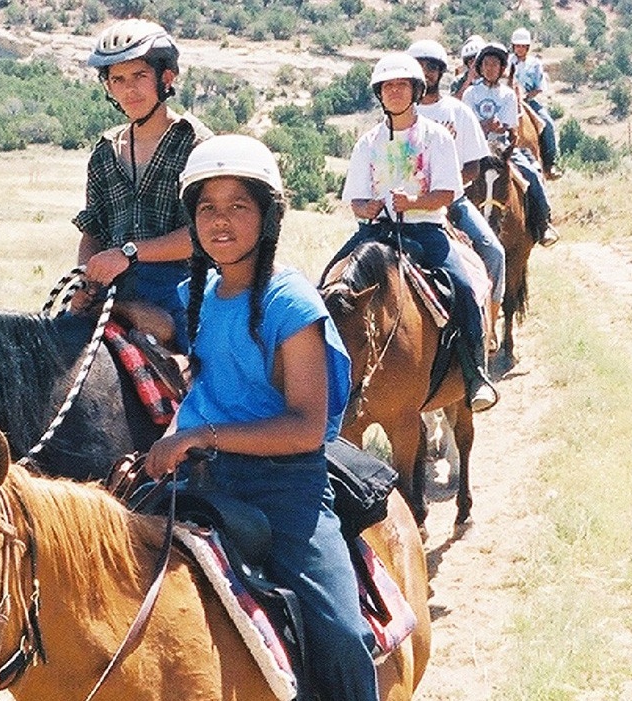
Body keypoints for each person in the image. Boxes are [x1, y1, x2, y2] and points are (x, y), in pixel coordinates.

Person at [144, 134, 378, 701]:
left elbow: (304, 426)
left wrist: (201, 434)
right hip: (202, 477)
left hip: (284, 487)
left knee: (342, 635)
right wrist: (115, 303)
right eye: (207, 209)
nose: (219, 223)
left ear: (269, 216)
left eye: (238, 207)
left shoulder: (290, 303)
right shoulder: (198, 290)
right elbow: (185, 332)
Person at [332, 52, 498, 411]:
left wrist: (415, 201)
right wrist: (367, 208)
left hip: (426, 230)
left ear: (415, 90)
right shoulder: (368, 142)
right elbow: (356, 200)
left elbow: (448, 193)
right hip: (377, 233)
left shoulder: (436, 137)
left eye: (401, 85)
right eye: (387, 87)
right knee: (328, 286)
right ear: (379, 94)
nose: (394, 92)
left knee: (465, 288)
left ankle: (475, 376)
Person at [68, 19, 213, 351]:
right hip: (111, 284)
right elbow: (93, 229)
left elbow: (204, 234)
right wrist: (87, 279)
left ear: (166, 78)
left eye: (139, 76)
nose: (129, 90)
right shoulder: (104, 153)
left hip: (181, 284)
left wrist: (128, 253)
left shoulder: (198, 146)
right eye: (117, 79)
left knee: (204, 369)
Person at [407, 38, 507, 350]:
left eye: (431, 67)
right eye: (420, 68)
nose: (426, 73)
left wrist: (445, 192)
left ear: (441, 72)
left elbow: (473, 168)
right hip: (405, 208)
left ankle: (486, 331)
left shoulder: (458, 112)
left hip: (453, 203)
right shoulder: (397, 117)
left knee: (494, 252)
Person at [462, 42, 559, 248]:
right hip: (475, 151)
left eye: (495, 65)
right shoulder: (470, 94)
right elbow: (467, 125)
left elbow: (511, 128)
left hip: (502, 151)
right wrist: (486, 125)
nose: (490, 68)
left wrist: (501, 130)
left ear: (501, 68)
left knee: (531, 174)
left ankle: (542, 224)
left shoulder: (507, 95)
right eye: (486, 64)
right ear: (480, 67)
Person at [508, 27, 562, 179]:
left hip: (529, 101)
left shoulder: (535, 64)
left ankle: (550, 163)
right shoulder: (507, 61)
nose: (520, 49)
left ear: (527, 47)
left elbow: (539, 87)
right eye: (517, 46)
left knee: (547, 123)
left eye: (523, 46)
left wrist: (526, 96)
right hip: (508, 100)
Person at [451, 34, 486, 99]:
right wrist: (468, 81)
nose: (474, 65)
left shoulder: (492, 78)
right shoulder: (458, 81)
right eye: (471, 62)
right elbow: (454, 103)